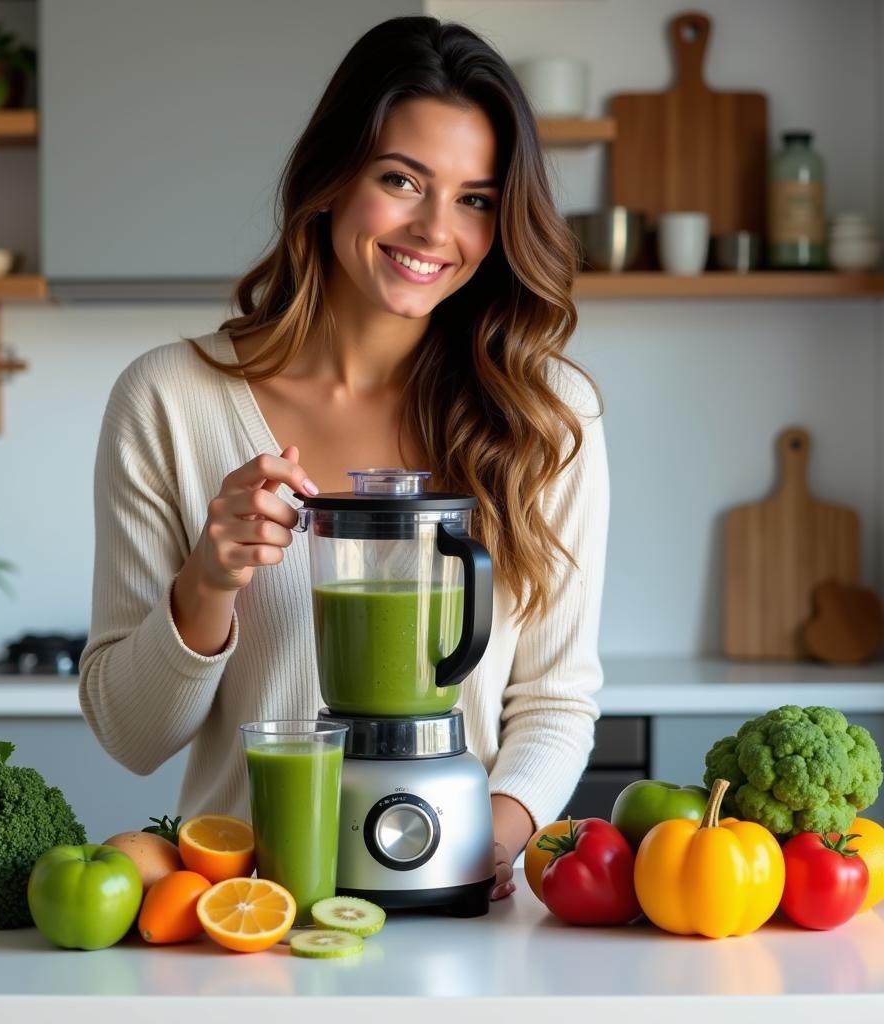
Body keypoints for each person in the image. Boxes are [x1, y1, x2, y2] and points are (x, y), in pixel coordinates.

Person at [80, 15, 608, 902]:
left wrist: (480, 844)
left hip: (458, 922)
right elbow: (133, 736)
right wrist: (209, 579)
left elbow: (556, 703)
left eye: (476, 198)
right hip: (247, 920)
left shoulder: (546, 415)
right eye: (401, 180)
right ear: (329, 180)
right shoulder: (169, 399)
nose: (436, 230)